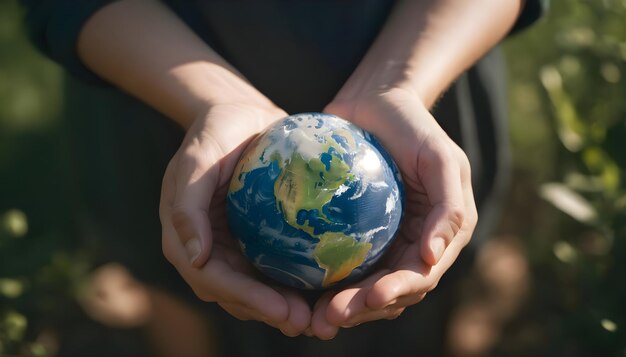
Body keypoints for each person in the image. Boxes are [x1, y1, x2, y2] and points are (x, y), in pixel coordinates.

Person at [22, 0, 546, 355]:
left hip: (428, 57)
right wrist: (213, 99)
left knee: (431, 293)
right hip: (155, 85)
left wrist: (401, 80)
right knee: (178, 276)